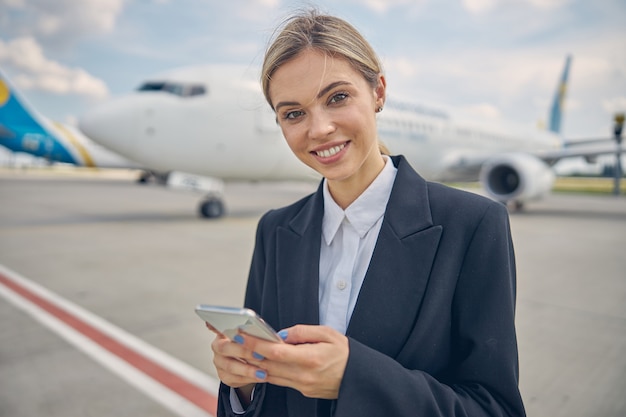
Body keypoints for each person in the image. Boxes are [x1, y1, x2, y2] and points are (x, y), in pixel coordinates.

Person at [210, 9, 526, 417]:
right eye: (293, 113)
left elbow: (495, 408)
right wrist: (245, 386)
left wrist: (354, 377)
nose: (319, 128)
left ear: (378, 92)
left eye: (337, 98)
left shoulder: (473, 225)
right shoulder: (274, 230)